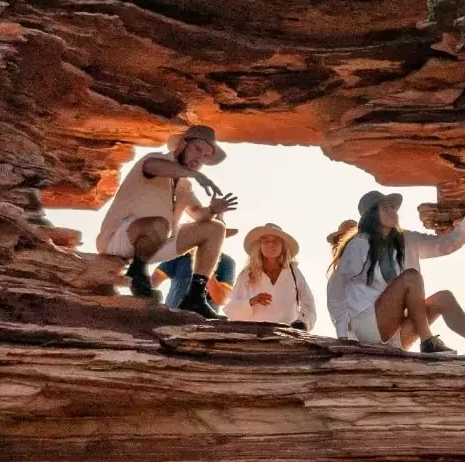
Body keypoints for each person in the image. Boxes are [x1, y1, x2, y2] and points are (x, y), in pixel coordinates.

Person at [325, 189, 465, 356]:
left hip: (396, 335)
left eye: (393, 207)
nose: (392, 211)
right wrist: (343, 336)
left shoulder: (407, 239)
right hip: (368, 328)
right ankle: (427, 342)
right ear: (371, 215)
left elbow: (447, 244)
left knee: (444, 297)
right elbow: (337, 290)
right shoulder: (359, 244)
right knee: (411, 277)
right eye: (384, 208)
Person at [93, 124, 238, 318]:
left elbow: (198, 214)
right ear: (182, 145)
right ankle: (138, 274)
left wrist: (213, 209)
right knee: (160, 224)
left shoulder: (185, 185)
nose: (199, 158)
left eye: (205, 156)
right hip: (118, 240)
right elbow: (153, 166)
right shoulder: (156, 161)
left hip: (157, 243)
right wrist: (194, 174)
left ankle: (195, 297)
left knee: (214, 228)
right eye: (197, 149)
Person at [224, 223, 316, 330]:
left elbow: (309, 305)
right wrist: (251, 301)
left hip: (287, 338)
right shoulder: (247, 273)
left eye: (276, 241)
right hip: (254, 337)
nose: (270, 244)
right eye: (266, 241)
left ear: (283, 245)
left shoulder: (294, 272)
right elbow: (230, 309)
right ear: (259, 245)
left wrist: (302, 324)